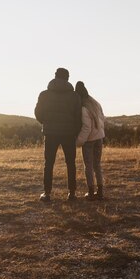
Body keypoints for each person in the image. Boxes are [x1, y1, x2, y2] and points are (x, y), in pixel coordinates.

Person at [34, 68, 82, 202]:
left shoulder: (44, 94)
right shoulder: (74, 96)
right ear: (67, 78)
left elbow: (38, 113)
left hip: (50, 132)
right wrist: (75, 130)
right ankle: (72, 193)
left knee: (48, 163)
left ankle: (47, 193)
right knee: (70, 163)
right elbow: (78, 117)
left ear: (55, 77)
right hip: (69, 133)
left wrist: (46, 122)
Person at [75, 81, 105, 200]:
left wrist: (78, 142)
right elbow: (103, 119)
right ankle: (100, 191)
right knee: (97, 165)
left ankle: (91, 192)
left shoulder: (84, 108)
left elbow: (86, 128)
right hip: (99, 137)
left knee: (88, 166)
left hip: (89, 141)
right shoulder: (95, 103)